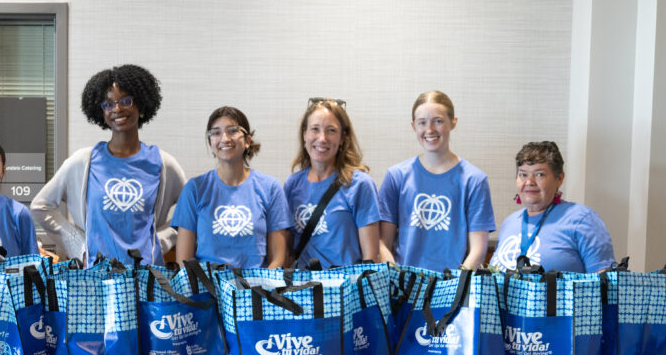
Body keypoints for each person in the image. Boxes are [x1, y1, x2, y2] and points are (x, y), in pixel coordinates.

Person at [31, 64, 185, 266]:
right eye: (108, 104)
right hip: (96, 276)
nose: (117, 109)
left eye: (126, 101)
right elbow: (40, 207)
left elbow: (191, 214)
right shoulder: (83, 161)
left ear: (140, 103)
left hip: (148, 276)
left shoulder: (163, 163)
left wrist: (160, 241)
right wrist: (78, 244)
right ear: (100, 111)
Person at [377, 91, 496, 271]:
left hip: (452, 289)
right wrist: (397, 279)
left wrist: (454, 287)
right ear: (413, 126)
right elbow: (381, 243)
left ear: (453, 122)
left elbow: (478, 251)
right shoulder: (396, 176)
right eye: (422, 122)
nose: (430, 130)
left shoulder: (474, 180)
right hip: (403, 290)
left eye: (438, 121)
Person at [173, 107, 290, 269]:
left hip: (256, 288)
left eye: (232, 131)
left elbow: (277, 259)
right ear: (210, 143)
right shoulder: (194, 189)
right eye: (215, 133)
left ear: (247, 140)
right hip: (207, 289)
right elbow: (183, 262)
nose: (224, 138)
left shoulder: (270, 188)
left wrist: (259, 290)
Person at [283, 99, 382, 268]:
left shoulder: (359, 185)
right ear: (304, 133)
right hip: (303, 289)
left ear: (343, 137)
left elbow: (371, 257)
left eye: (331, 131)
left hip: (345, 288)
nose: (322, 139)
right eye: (315, 129)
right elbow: (287, 251)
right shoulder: (292, 185)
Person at [490, 141, 615, 273]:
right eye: (523, 174)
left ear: (559, 178)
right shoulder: (509, 223)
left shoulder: (582, 219)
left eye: (539, 174)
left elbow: (603, 283)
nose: (529, 182)